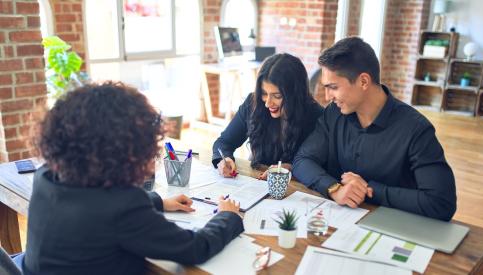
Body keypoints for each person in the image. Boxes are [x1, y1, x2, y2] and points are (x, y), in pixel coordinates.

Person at [20, 82, 244, 275]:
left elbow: (97, 208)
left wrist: (157, 201)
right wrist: (227, 216)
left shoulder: (47, 175)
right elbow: (195, 248)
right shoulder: (122, 206)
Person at [292, 37, 457, 221]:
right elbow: (302, 160)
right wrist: (334, 188)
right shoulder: (334, 114)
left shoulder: (416, 130)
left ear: (363, 81)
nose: (327, 96)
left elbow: (442, 203)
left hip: (394, 228)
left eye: (333, 87)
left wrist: (370, 190)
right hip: (338, 221)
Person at [212, 53, 324, 179]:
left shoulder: (317, 116)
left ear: (295, 94)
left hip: (296, 187)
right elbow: (224, 143)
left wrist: (291, 168)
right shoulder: (252, 103)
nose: (267, 103)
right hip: (257, 181)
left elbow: (320, 165)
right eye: (264, 93)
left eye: (277, 96)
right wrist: (224, 159)